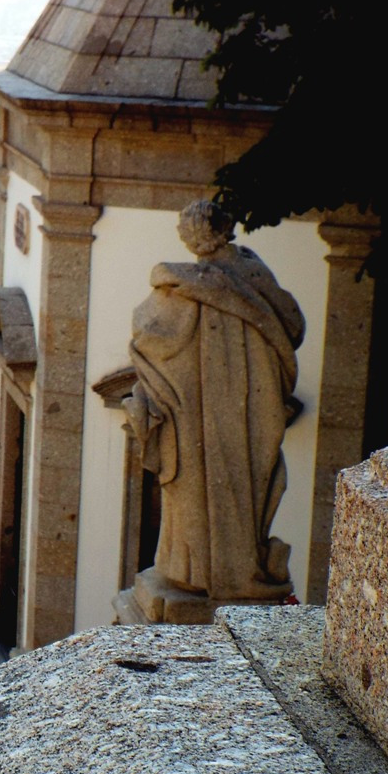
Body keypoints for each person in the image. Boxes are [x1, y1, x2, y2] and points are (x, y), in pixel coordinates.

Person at [123, 200, 306, 602]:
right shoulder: (254, 272)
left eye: (188, 232)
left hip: (206, 415)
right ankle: (232, 569)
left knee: (200, 490)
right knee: (247, 491)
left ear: (197, 236)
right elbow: (293, 324)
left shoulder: (181, 286)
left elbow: (147, 331)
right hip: (254, 412)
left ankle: (203, 573)